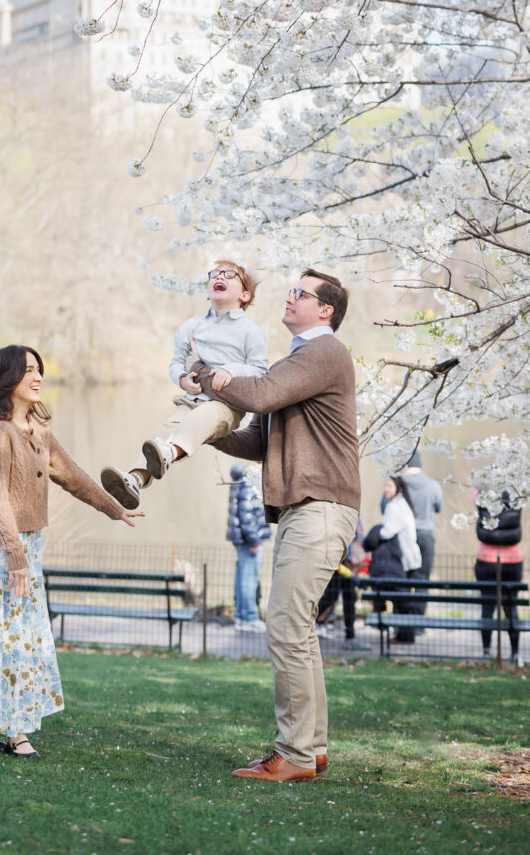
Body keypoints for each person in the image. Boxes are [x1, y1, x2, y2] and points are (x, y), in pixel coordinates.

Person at [0, 345, 142, 759]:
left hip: (21, 544)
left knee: (15, 635)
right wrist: (16, 558)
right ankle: (14, 732)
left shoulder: (37, 431)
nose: (38, 376)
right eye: (28, 370)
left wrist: (114, 508)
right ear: (7, 378)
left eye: (39, 369)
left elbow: (71, 474)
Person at [191, 268, 360, 782]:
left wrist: (203, 373)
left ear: (325, 310)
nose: (288, 298)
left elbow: (260, 394)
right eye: (290, 290)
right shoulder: (296, 362)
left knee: (285, 626)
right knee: (296, 630)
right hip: (300, 509)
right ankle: (312, 749)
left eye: (299, 293)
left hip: (321, 506)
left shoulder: (325, 352)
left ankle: (295, 754)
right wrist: (204, 428)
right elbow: (257, 440)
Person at [100, 260, 269, 509]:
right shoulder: (191, 326)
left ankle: (168, 453)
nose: (220, 277)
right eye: (215, 274)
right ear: (208, 291)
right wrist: (182, 378)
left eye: (229, 275)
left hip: (226, 406)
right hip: (192, 399)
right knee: (164, 432)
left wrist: (231, 370)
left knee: (198, 421)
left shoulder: (250, 331)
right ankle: (135, 479)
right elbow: (177, 361)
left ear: (245, 295)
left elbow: (260, 369)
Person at [365, 477, 422, 643]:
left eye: (390, 486)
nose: (386, 489)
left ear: (399, 488)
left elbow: (387, 532)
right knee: (403, 598)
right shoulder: (401, 504)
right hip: (410, 557)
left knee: (402, 599)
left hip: (404, 559)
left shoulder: (394, 507)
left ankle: (404, 635)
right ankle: (403, 634)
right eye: (385, 486)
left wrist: (375, 534)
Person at [474, 489, 524, 665]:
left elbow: (474, 496)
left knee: (487, 607)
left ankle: (486, 652)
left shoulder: (481, 492)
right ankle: (515, 652)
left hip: (486, 559)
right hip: (513, 559)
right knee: (511, 607)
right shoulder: (517, 490)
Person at [227, 465, 272, 632]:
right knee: (248, 580)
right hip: (249, 541)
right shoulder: (249, 482)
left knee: (243, 578)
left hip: (243, 539)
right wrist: (254, 541)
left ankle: (241, 616)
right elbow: (247, 515)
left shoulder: (241, 480)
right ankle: (249, 618)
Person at [399, 451, 443, 609]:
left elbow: (386, 507)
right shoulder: (433, 485)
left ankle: (402, 617)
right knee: (423, 580)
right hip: (425, 536)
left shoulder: (398, 484)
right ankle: (418, 619)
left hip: (403, 536)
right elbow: (439, 507)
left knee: (402, 578)